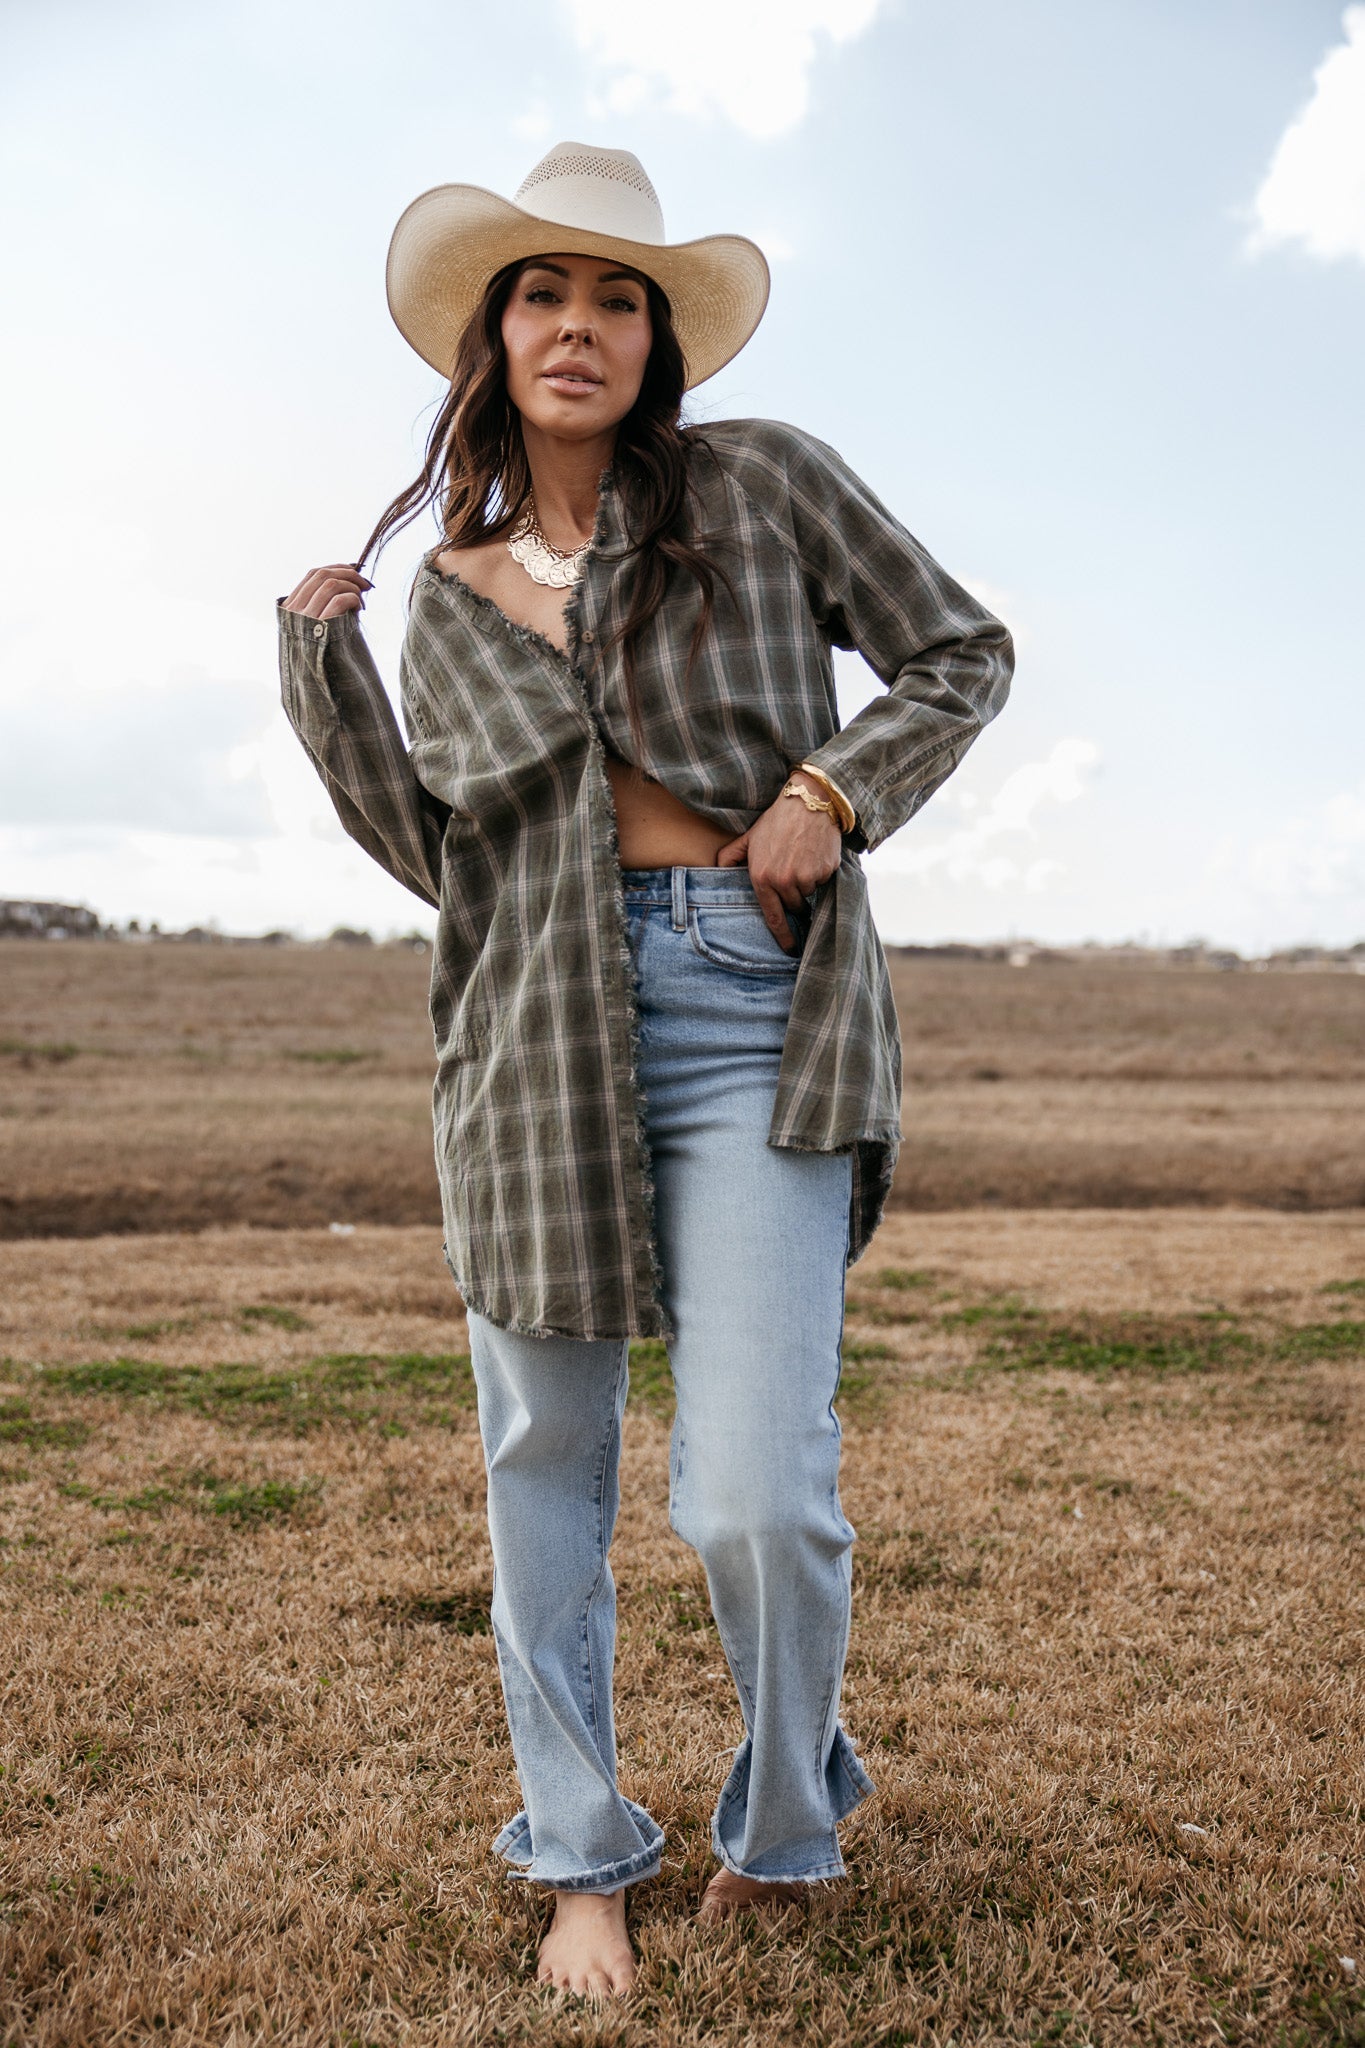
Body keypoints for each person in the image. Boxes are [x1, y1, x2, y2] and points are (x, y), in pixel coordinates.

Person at [279, 140, 1013, 2000]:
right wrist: (320, 678)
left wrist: (829, 795)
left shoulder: (763, 484)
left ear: (661, 340)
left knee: (754, 1492)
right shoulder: (441, 589)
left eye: (620, 298)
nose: (581, 326)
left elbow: (957, 651)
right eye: (544, 292)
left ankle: (781, 1822)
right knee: (544, 1458)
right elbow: (439, 854)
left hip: (748, 1005)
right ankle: (579, 1857)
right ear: (489, 334)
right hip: (527, 1020)